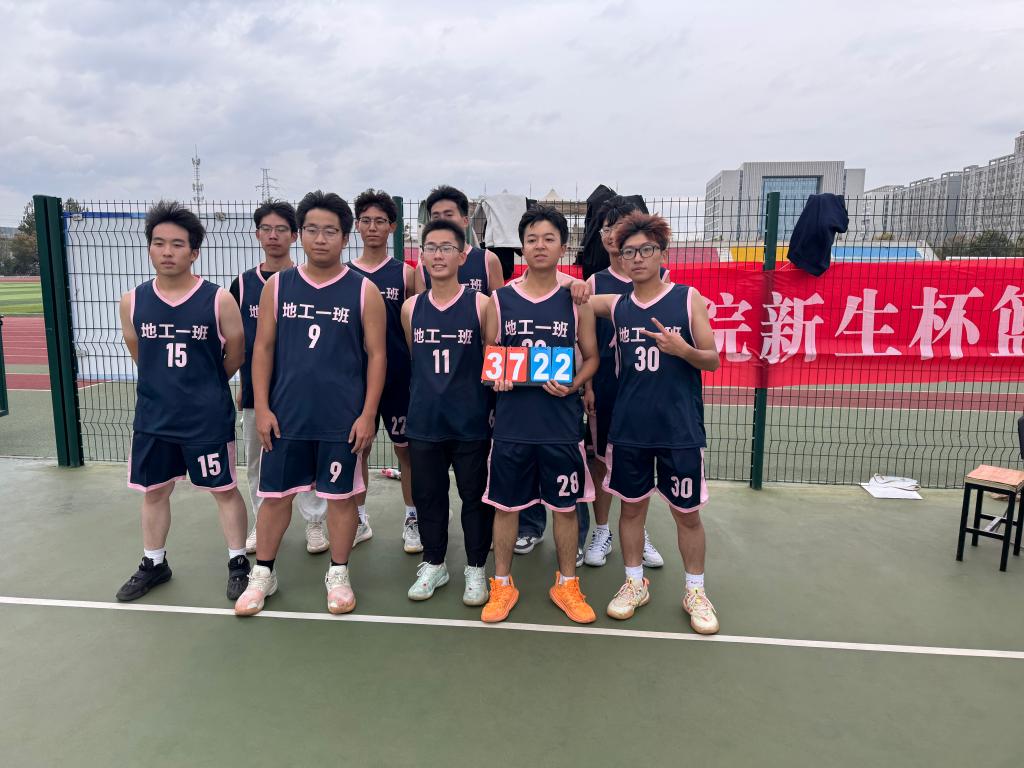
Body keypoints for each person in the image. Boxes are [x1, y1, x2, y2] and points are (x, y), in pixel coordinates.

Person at [234, 191, 386, 616]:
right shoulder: (278, 287)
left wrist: (368, 413)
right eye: (313, 230)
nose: (321, 239)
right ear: (300, 235)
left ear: (345, 237)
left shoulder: (364, 291)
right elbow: (262, 349)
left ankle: (338, 573)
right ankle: (263, 573)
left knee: (341, 499)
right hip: (287, 416)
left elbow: (378, 355)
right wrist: (263, 408)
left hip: (341, 418)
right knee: (275, 496)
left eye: (331, 231)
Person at [588, 212, 720, 633]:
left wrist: (683, 350)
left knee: (687, 515)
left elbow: (712, 360)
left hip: (679, 429)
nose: (638, 258)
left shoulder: (687, 298)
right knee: (631, 511)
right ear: (620, 259)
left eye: (646, 249)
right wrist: (574, 286)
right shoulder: (618, 305)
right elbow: (578, 297)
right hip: (630, 429)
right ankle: (633, 583)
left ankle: (695, 591)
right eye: (629, 252)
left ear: (663, 254)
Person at [116, 201, 249, 602]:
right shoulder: (132, 301)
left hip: (205, 418)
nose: (167, 251)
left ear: (194, 252)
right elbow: (140, 354)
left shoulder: (218, 299)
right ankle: (154, 563)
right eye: (159, 243)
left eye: (177, 244)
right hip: (154, 418)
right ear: (149, 249)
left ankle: (238, 562)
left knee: (224, 489)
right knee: (154, 491)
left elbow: (235, 354)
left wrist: (204, 385)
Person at [480, 205, 599, 624]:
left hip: (560, 426)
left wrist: (574, 383)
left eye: (549, 239)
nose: (540, 246)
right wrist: (497, 377)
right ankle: (502, 584)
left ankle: (566, 584)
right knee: (505, 507)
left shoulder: (576, 299)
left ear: (563, 246)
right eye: (532, 239)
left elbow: (592, 357)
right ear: (522, 247)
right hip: (512, 425)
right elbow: (491, 355)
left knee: (565, 508)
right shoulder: (500, 299)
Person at [400, 219, 494, 605]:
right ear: (421, 255)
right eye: (431, 248)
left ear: (462, 256)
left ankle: (476, 567)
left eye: (446, 248)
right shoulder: (411, 308)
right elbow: (415, 359)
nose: (438, 255)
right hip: (425, 419)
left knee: (475, 498)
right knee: (428, 496)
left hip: (471, 419)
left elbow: (492, 360)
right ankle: (434, 563)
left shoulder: (481, 304)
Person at [230, 200, 328, 556]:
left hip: (303, 393)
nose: (273, 236)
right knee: (259, 461)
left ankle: (315, 522)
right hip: (259, 392)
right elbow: (239, 341)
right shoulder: (243, 285)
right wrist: (245, 384)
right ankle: (263, 522)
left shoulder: (308, 281)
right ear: (257, 234)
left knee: (311, 462)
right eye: (266, 229)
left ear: (294, 235)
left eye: (281, 229)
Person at [582, 196, 666, 569]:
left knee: (640, 461)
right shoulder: (594, 283)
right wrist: (587, 387)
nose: (614, 235)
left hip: (646, 389)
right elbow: (585, 341)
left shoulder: (659, 280)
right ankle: (602, 530)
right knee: (601, 460)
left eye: (620, 227)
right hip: (605, 387)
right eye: (607, 229)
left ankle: (638, 529)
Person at [348, 189, 419, 553]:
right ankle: (358, 519)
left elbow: (417, 326)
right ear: (357, 226)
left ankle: (413, 518)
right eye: (366, 221)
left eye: (380, 221)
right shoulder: (345, 274)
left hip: (399, 377)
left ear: (392, 227)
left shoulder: (406, 273)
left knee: (407, 452)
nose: (373, 227)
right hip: (355, 379)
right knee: (357, 449)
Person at [413, 185, 504, 296]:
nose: (442, 221)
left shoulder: (488, 260)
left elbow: (497, 304)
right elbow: (421, 306)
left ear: (465, 221)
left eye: (448, 215)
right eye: (436, 217)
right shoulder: (423, 267)